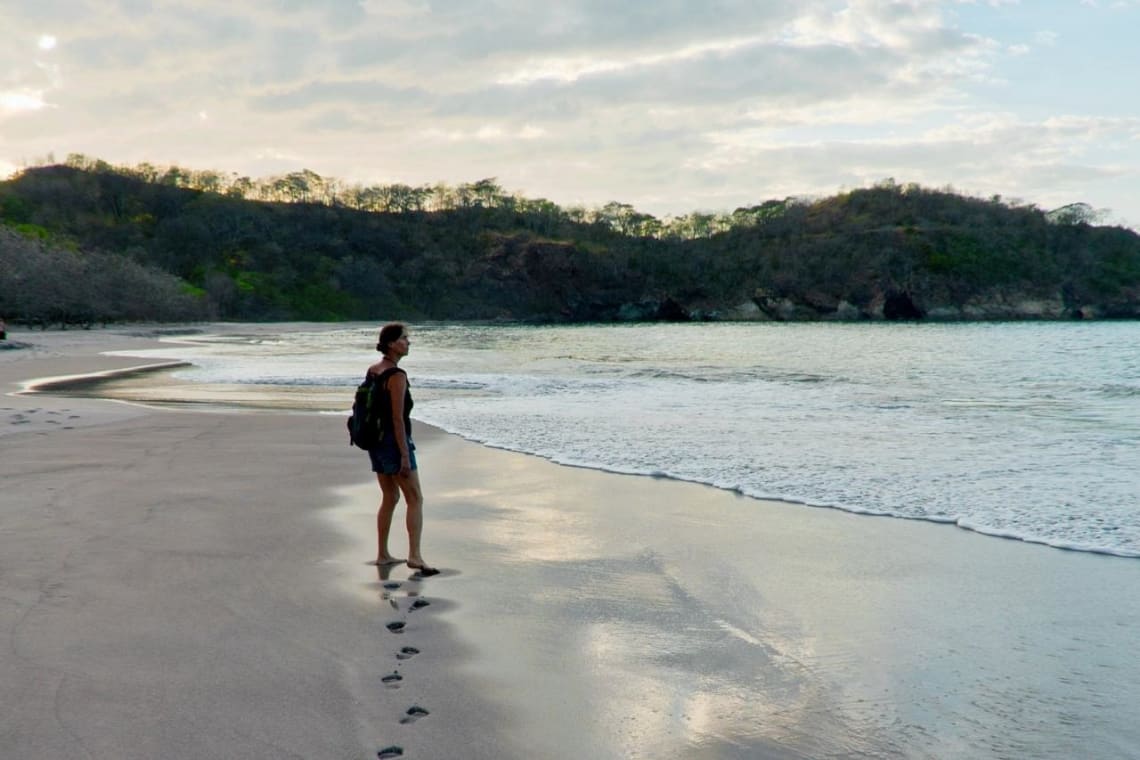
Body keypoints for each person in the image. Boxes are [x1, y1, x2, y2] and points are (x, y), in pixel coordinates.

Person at [365, 322, 438, 576]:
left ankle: (383, 554)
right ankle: (415, 556)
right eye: (405, 338)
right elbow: (397, 418)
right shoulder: (396, 376)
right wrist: (404, 455)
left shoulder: (374, 370)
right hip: (394, 443)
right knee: (415, 498)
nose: (408, 342)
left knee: (390, 496)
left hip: (376, 442)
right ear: (392, 343)